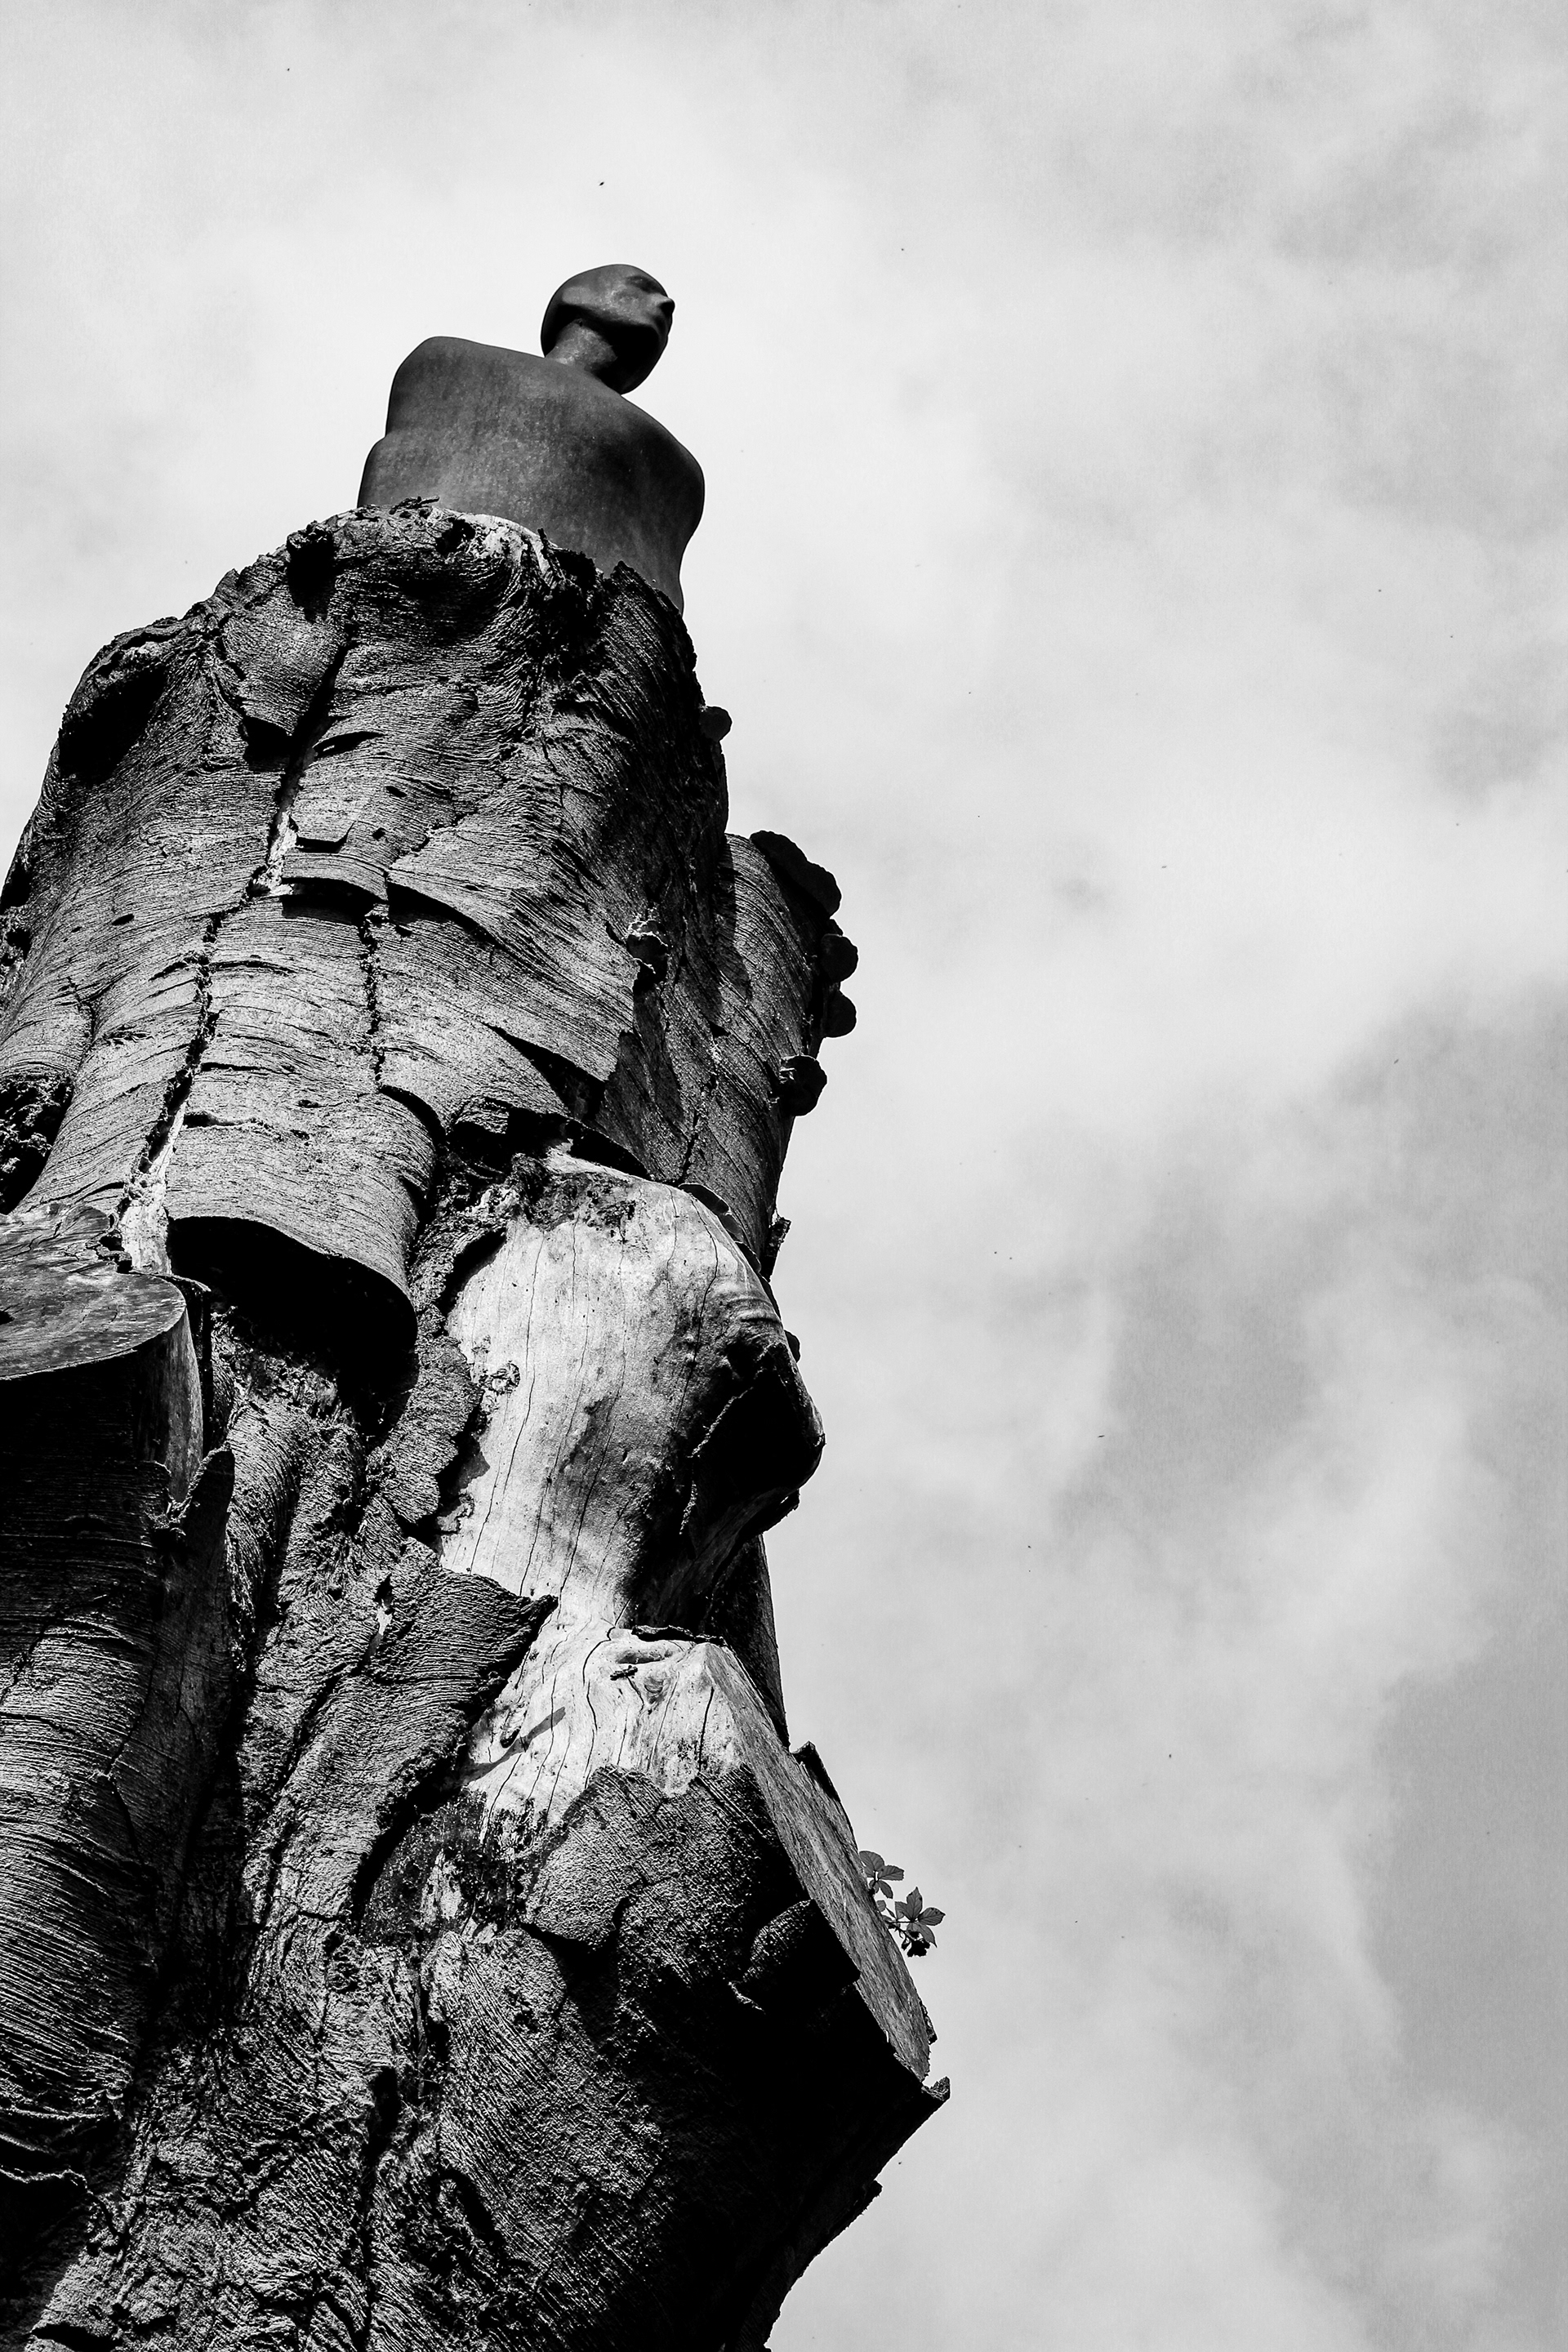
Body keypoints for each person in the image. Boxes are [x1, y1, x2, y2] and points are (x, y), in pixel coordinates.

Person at [358, 264, 704, 608]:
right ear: (574, 298)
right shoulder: (449, 364)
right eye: (641, 287)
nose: (667, 305)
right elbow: (394, 475)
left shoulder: (681, 475)